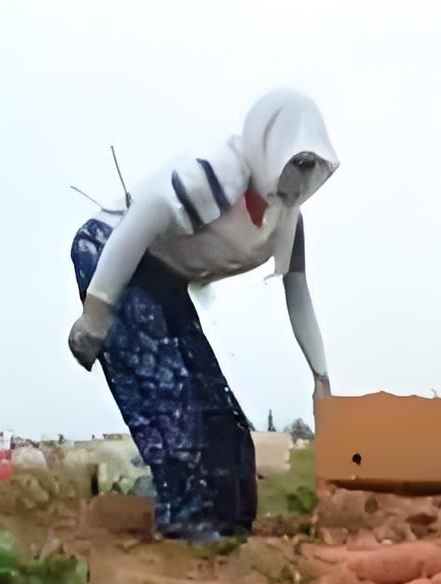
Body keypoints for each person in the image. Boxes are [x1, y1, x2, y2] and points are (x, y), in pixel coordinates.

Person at [68, 89, 337, 542]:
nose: (299, 176)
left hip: (165, 281)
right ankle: (182, 520)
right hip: (113, 256)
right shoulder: (219, 173)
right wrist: (96, 314)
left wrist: (320, 376)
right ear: (267, 145)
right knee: (169, 394)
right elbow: (144, 217)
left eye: (309, 166)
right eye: (294, 161)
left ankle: (227, 520)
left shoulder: (287, 219)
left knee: (223, 421)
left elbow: (297, 290)